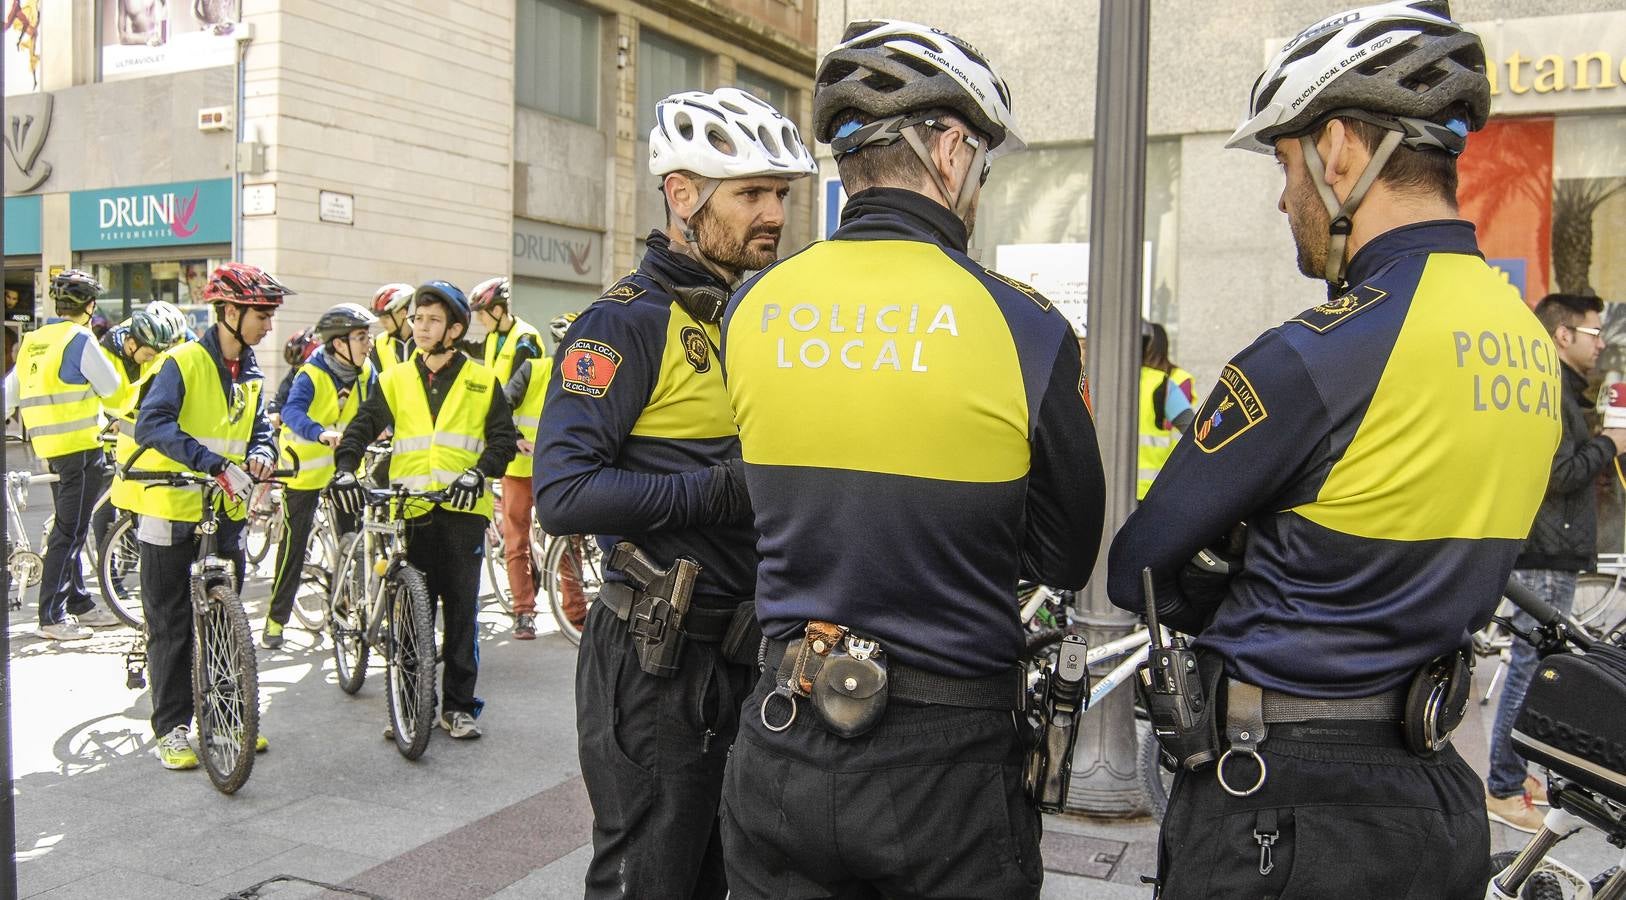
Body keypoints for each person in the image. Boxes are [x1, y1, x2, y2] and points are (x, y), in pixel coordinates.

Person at [1107, 4, 1560, 897]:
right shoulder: (1527, 343)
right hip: (1436, 806)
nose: (1284, 198)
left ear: (1341, 149)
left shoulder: (1316, 353)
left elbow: (1137, 569)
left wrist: (1241, 553)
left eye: (1285, 163)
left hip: (1283, 809)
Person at [717, 21, 1105, 898]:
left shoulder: (754, 309)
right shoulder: (1024, 325)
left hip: (783, 732)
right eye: (982, 166)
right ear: (951, 148)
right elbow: (1067, 553)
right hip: (948, 761)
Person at [533, 86, 813, 900]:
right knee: (648, 881)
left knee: (719, 881)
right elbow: (564, 493)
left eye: (781, 195)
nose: (773, 214)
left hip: (744, 657)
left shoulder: (750, 318)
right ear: (684, 195)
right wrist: (719, 493)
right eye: (752, 193)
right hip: (656, 661)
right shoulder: (623, 322)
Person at [329, 281, 517, 740]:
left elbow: (503, 442)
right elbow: (360, 428)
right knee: (411, 617)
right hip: (411, 509)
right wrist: (346, 469)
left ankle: (458, 707)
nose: (421, 326)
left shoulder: (481, 380)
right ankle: (411, 707)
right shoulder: (394, 380)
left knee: (460, 614)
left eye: (432, 319)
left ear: (454, 328)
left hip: (462, 511)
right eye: (416, 318)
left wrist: (478, 472)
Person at [131, 263, 286, 770]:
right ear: (230, 311)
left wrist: (262, 451)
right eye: (261, 314)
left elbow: (259, 425)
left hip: (225, 512)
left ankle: (226, 719)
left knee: (223, 621)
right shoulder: (183, 362)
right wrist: (212, 462)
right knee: (172, 624)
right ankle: (172, 728)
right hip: (170, 508)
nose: (268, 325)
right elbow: (150, 426)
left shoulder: (252, 371)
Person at [1487, 292, 1626, 832]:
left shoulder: (1560, 388)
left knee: (1529, 662)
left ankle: (1513, 770)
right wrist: (1611, 443)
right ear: (1563, 335)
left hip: (1549, 546)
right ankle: (1501, 785)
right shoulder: (1550, 388)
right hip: (1546, 547)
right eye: (1593, 334)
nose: (1601, 344)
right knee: (1531, 665)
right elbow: (1559, 473)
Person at [2, 270, 126, 638]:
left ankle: (79, 603)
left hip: (51, 450)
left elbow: (9, 395)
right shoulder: (81, 339)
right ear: (89, 306)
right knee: (69, 532)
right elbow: (115, 393)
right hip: (83, 449)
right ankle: (51, 617)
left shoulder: (32, 342)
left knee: (68, 527)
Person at [260, 302, 379, 650]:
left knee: (353, 540)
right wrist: (318, 432)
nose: (367, 343)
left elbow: (377, 408)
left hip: (343, 468)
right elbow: (292, 412)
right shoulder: (310, 374)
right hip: (306, 468)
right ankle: (275, 620)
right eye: (360, 337)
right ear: (339, 343)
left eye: (367, 336)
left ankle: (347, 610)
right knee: (294, 547)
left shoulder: (367, 371)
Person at [469, 276, 546, 637]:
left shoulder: (526, 341)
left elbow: (511, 393)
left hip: (533, 453)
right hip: (514, 458)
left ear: (498, 310)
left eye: (483, 314)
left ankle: (573, 612)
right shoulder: (493, 339)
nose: (480, 320)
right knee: (516, 538)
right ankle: (524, 611)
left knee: (554, 535)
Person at [95, 301, 191, 554]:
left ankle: (125, 558)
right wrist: (109, 421)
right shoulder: (103, 354)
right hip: (104, 435)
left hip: (137, 440)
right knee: (105, 506)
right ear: (131, 343)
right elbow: (95, 395)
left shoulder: (156, 345)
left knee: (132, 503)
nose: (153, 358)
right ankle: (111, 566)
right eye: (148, 354)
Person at [1137, 322, 1198, 498]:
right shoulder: (1162, 384)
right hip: (1152, 490)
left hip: (1107, 489)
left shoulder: (1099, 379)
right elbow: (1193, 432)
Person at [269, 327, 318, 427]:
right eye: (296, 367)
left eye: (303, 366)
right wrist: (274, 411)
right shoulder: (294, 374)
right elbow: (281, 396)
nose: (299, 371)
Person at [369, 282, 415, 373]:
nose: (382, 323)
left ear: (403, 313)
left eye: (387, 317)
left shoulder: (425, 340)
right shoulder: (378, 343)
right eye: (380, 318)